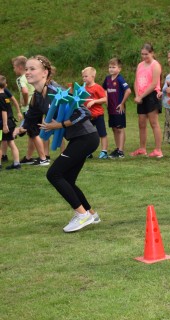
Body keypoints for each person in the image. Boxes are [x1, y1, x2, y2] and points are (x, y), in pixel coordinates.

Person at [14, 55, 101, 232]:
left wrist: (59, 125)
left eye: (32, 69)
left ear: (45, 72)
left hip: (86, 137)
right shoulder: (37, 97)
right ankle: (91, 214)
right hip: (78, 139)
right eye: (27, 69)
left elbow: (85, 113)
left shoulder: (56, 91)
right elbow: (30, 118)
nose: (28, 72)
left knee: (53, 174)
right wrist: (17, 130)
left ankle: (82, 215)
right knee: (67, 179)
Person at [131, 43, 163, 158]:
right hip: (141, 96)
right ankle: (142, 148)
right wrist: (137, 95)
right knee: (141, 123)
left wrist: (142, 96)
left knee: (154, 123)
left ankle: (158, 149)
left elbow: (154, 83)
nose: (144, 56)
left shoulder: (155, 65)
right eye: (142, 54)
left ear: (152, 53)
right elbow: (136, 81)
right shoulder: (140, 65)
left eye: (146, 54)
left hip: (151, 96)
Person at [102, 58, 131, 158]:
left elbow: (128, 91)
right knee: (114, 128)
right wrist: (106, 99)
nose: (111, 69)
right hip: (110, 109)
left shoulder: (120, 79)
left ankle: (121, 151)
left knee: (120, 128)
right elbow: (104, 89)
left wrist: (122, 103)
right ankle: (117, 148)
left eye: (114, 67)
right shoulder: (107, 79)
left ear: (119, 69)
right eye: (110, 67)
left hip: (118, 108)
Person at [10, 56, 35, 165]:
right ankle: (29, 157)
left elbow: (25, 92)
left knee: (31, 132)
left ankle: (15, 132)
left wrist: (24, 102)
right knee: (32, 133)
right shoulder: (32, 76)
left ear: (19, 67)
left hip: (28, 108)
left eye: (14, 67)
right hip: (35, 107)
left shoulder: (21, 79)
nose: (13, 69)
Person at [82, 67, 108, 159]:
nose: (84, 78)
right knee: (88, 134)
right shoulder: (83, 88)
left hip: (98, 115)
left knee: (102, 133)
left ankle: (104, 151)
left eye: (86, 76)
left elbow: (104, 99)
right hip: (87, 115)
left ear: (93, 76)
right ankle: (88, 152)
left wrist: (94, 101)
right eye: (83, 77)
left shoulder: (97, 87)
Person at [0, 75, 21, 170]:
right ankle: (17, 164)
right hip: (10, 122)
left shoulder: (0, 97)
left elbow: (3, 111)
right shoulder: (5, 96)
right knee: (11, 143)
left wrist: (4, 125)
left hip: (3, 124)